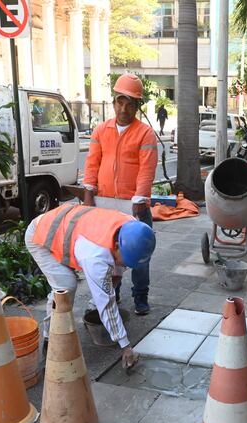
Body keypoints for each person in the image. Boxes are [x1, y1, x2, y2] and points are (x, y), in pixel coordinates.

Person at [26, 204, 156, 368]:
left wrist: (116, 273)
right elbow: (107, 304)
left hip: (68, 225)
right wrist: (125, 346)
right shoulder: (95, 256)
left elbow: (116, 269)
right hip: (41, 235)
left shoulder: (131, 228)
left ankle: (90, 309)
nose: (127, 266)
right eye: (127, 261)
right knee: (65, 285)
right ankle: (50, 337)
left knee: (114, 272)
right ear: (117, 246)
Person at [83, 73, 158, 315]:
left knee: (139, 254)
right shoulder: (101, 130)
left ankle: (140, 298)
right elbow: (92, 163)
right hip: (105, 203)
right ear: (114, 102)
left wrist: (139, 199)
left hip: (133, 204)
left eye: (129, 103)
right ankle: (111, 295)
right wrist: (88, 192)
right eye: (119, 101)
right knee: (107, 253)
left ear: (137, 106)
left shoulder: (144, 133)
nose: (123, 108)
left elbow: (147, 169)